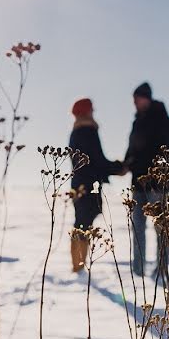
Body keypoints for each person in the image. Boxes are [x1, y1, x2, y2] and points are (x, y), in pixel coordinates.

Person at [124, 82, 169, 278]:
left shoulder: (162, 120)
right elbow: (132, 148)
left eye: (137, 99)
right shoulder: (137, 121)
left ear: (146, 98)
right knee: (137, 226)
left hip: (157, 184)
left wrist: (146, 167)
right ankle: (137, 270)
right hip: (138, 182)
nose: (135, 103)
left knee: (160, 226)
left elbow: (163, 150)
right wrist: (126, 164)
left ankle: (162, 269)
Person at [68, 98, 123, 273]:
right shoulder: (88, 130)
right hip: (88, 186)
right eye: (91, 109)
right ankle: (79, 268)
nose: (93, 112)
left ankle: (76, 266)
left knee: (80, 224)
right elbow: (96, 161)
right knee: (84, 225)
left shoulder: (76, 132)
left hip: (77, 186)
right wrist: (118, 168)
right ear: (86, 111)